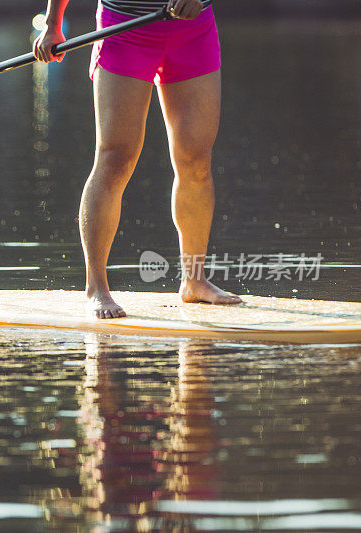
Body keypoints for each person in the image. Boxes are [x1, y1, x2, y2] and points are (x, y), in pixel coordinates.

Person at [33, 0, 242, 319]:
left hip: (193, 28)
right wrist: (52, 24)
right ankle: (96, 288)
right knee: (115, 159)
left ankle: (194, 280)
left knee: (196, 162)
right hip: (125, 28)